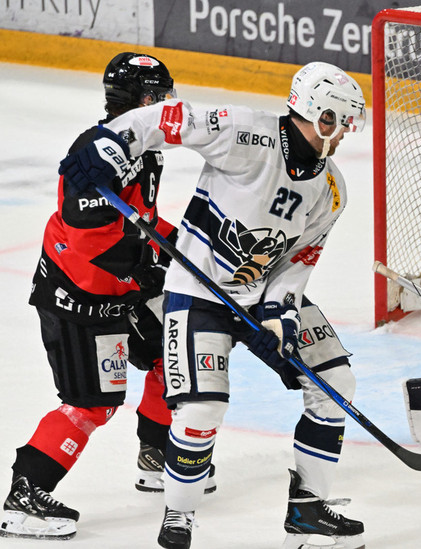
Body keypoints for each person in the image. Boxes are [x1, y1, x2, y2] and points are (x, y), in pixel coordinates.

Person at [55, 61, 367, 549]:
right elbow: (165, 119)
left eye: (348, 124)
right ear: (313, 113)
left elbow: (300, 260)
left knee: (335, 383)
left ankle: (308, 510)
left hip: (263, 294)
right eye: (336, 121)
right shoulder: (246, 133)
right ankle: (178, 516)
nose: (343, 132)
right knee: (201, 410)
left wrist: (279, 317)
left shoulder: (332, 189)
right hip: (199, 291)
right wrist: (108, 146)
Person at [0, 52, 213, 541]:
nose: (167, 107)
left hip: (123, 290)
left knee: (172, 356)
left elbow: (139, 218)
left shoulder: (143, 148)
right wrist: (149, 263)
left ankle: (158, 457)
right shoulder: (97, 154)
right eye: (159, 98)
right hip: (81, 296)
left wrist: (178, 245)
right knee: (90, 404)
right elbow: (88, 240)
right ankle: (24, 496)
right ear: (142, 100)